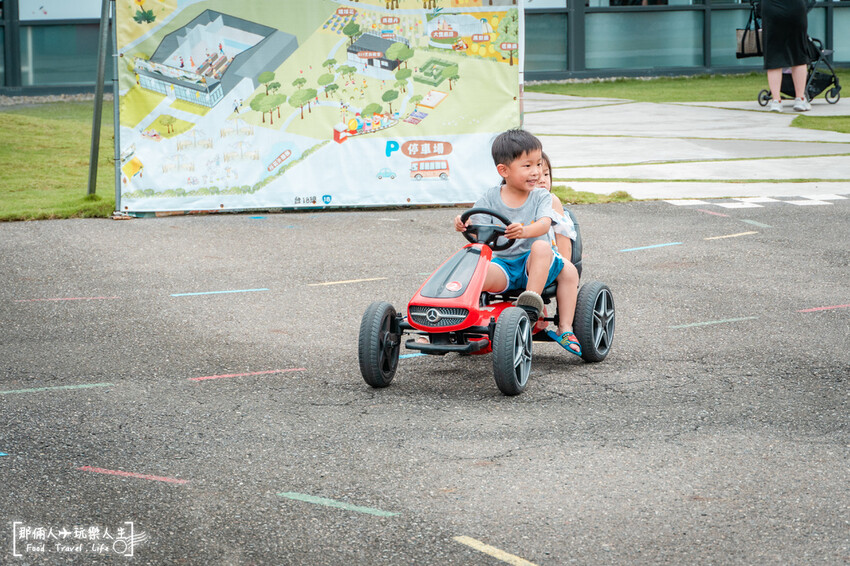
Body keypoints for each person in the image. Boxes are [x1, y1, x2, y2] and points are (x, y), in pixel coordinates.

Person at [454, 129, 582, 356]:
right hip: (503, 264)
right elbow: (480, 234)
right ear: (504, 170)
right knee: (473, 266)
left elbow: (544, 225)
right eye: (528, 166)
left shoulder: (541, 197)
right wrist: (466, 226)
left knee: (541, 246)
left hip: (535, 265)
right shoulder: (490, 197)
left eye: (539, 165)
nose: (537, 172)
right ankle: (462, 321)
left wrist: (524, 231)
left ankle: (546, 316)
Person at [761, 0, 811, 112]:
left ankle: (776, 101)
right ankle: (800, 99)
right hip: (795, 8)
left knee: (773, 55)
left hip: (771, 9)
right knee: (798, 53)